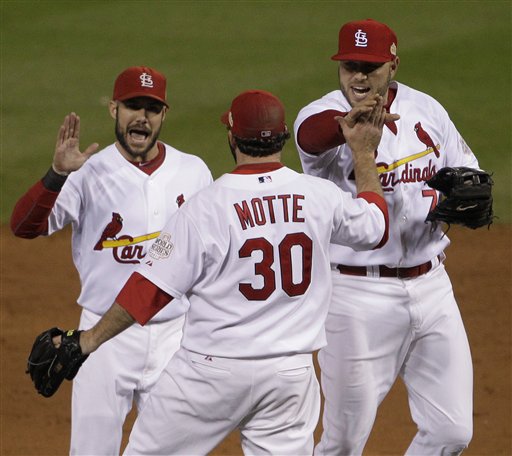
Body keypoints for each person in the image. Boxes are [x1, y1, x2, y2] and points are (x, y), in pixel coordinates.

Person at [57, 89, 390, 455]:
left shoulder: (205, 207)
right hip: (290, 376)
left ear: (232, 137)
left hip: (209, 376)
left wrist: (86, 341)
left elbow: (149, 290)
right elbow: (375, 226)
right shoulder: (320, 195)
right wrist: (363, 152)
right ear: (281, 138)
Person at [294, 18, 479, 455]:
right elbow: (309, 137)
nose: (358, 76)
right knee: (342, 442)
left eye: (370, 66)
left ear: (392, 64)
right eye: (349, 66)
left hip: (432, 288)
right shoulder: (322, 115)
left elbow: (468, 172)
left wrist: (465, 191)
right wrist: (347, 123)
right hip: (356, 297)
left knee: (453, 432)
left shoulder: (428, 110)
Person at [10, 66, 213, 455]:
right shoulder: (87, 172)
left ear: (164, 115)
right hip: (102, 339)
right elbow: (24, 226)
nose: (142, 117)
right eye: (133, 106)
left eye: (152, 109)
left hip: (176, 337)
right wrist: (56, 174)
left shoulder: (194, 171)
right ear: (114, 110)